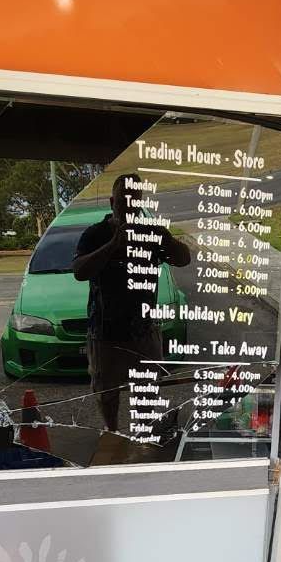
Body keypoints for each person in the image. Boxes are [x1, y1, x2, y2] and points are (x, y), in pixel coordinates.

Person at [71, 172, 191, 432]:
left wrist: (164, 238)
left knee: (146, 388)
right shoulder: (95, 233)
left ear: (140, 203)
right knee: (106, 391)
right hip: (104, 332)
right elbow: (79, 271)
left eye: (135, 200)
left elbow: (184, 259)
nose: (129, 206)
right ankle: (111, 433)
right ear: (112, 202)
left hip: (144, 329)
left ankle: (142, 432)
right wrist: (113, 245)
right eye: (123, 200)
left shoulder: (151, 233)